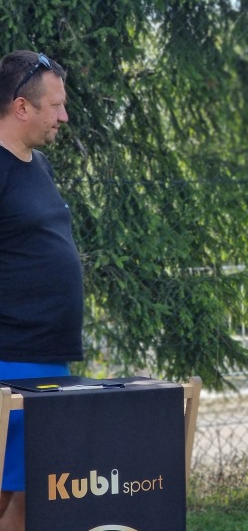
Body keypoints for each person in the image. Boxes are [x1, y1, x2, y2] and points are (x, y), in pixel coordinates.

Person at [0, 50, 83, 530]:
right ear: (21, 107)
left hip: (49, 359)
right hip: (8, 360)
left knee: (36, 495)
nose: (63, 116)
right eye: (55, 105)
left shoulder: (40, 166)